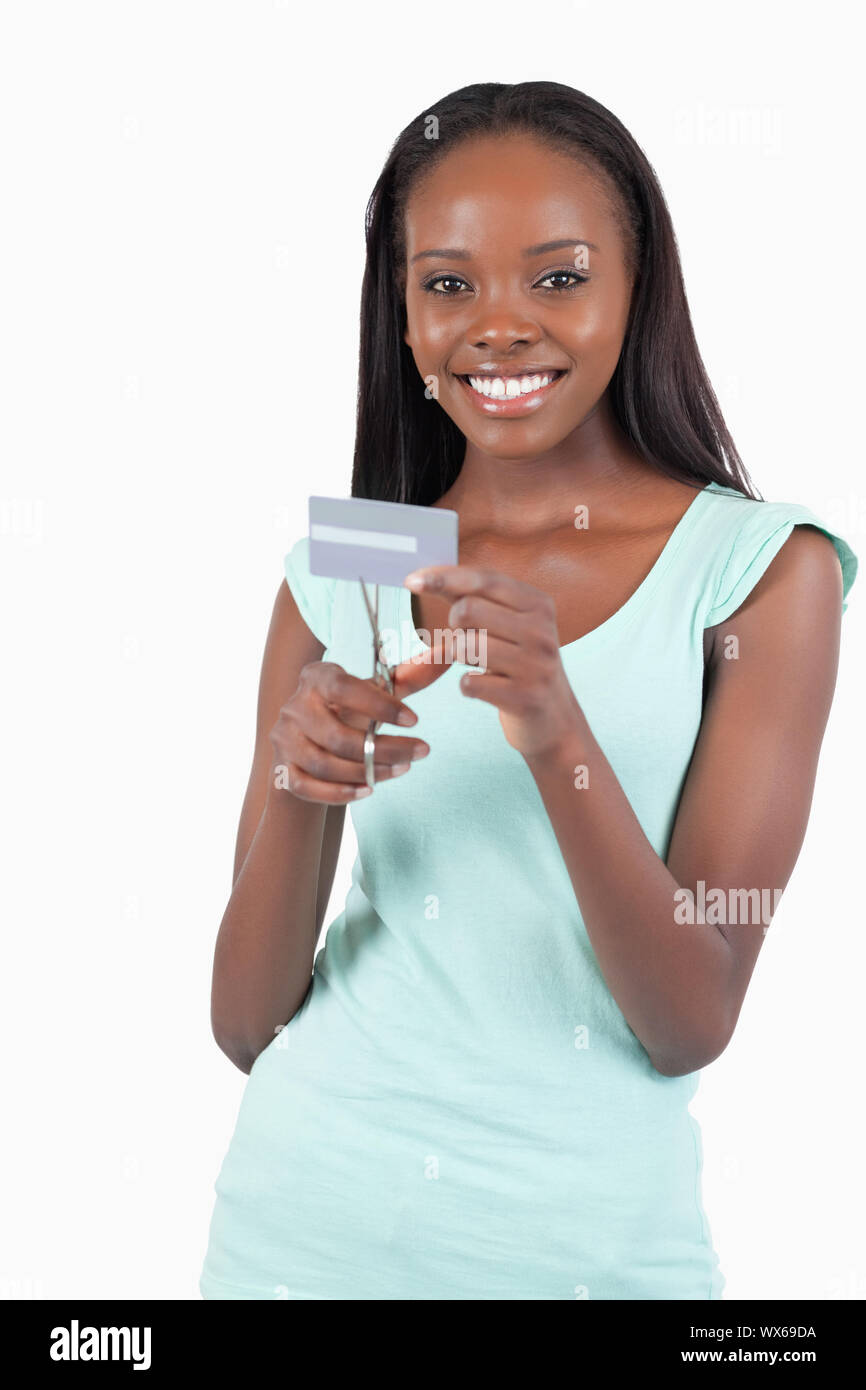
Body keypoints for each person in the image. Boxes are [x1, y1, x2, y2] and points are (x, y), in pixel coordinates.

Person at [199, 82, 857, 1300]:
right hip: (298, 1241)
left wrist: (557, 729)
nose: (496, 326)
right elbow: (245, 1025)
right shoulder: (351, 554)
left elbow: (689, 1016)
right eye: (446, 284)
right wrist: (304, 788)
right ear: (399, 316)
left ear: (635, 287)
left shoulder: (761, 570)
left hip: (588, 1265)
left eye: (555, 277)